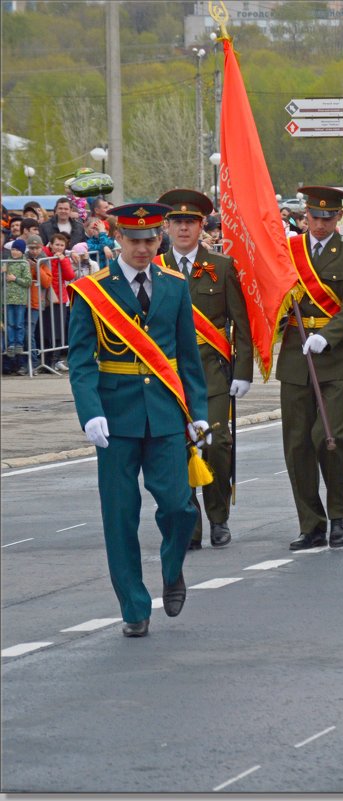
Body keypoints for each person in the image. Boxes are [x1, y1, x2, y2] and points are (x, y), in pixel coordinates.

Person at [67, 202, 210, 637]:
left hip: (166, 413)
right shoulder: (94, 290)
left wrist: (198, 414)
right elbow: (81, 360)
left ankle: (172, 568)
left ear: (159, 239)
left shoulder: (174, 285)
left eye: (151, 240)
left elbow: (188, 356)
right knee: (120, 515)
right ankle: (133, 606)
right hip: (115, 416)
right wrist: (90, 413)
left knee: (179, 506)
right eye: (135, 241)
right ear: (118, 241)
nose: (144, 248)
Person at [154, 189, 253, 550]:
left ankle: (218, 517)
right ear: (166, 227)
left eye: (190, 222)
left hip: (212, 372)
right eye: (177, 222)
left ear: (201, 227)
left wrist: (243, 371)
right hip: (169, 376)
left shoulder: (221, 268)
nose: (183, 228)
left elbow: (240, 323)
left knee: (216, 444)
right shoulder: (154, 267)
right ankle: (189, 524)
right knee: (176, 449)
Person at [276, 185, 343, 550]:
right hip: (295, 357)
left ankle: (339, 516)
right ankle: (310, 523)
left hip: (335, 357)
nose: (319, 224)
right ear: (305, 217)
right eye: (314, 217)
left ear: (338, 218)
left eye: (327, 218)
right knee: (297, 444)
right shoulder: (288, 252)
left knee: (328, 436)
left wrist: (327, 335)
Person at [43, 232, 75, 372]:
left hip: (59, 297)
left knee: (58, 330)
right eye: (57, 244)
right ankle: (45, 360)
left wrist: (63, 260)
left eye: (62, 245)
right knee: (45, 330)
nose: (59, 248)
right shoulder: (43, 254)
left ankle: (55, 360)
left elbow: (70, 275)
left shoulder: (64, 258)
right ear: (50, 244)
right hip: (44, 296)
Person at [23, 234, 53, 375]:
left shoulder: (44, 260)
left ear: (41, 247)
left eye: (37, 247)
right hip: (21, 300)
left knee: (29, 332)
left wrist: (36, 268)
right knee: (20, 331)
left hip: (36, 301)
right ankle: (23, 363)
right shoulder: (22, 259)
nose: (34, 250)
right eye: (31, 247)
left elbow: (47, 282)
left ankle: (33, 362)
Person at [3, 238, 32, 372]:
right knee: (10, 323)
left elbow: (28, 281)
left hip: (20, 299)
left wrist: (15, 279)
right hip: (8, 299)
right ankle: (11, 344)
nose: (15, 252)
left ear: (22, 252)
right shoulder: (6, 263)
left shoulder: (24, 264)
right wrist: (2, 272)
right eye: (13, 249)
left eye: (17, 250)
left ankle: (19, 344)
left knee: (19, 323)